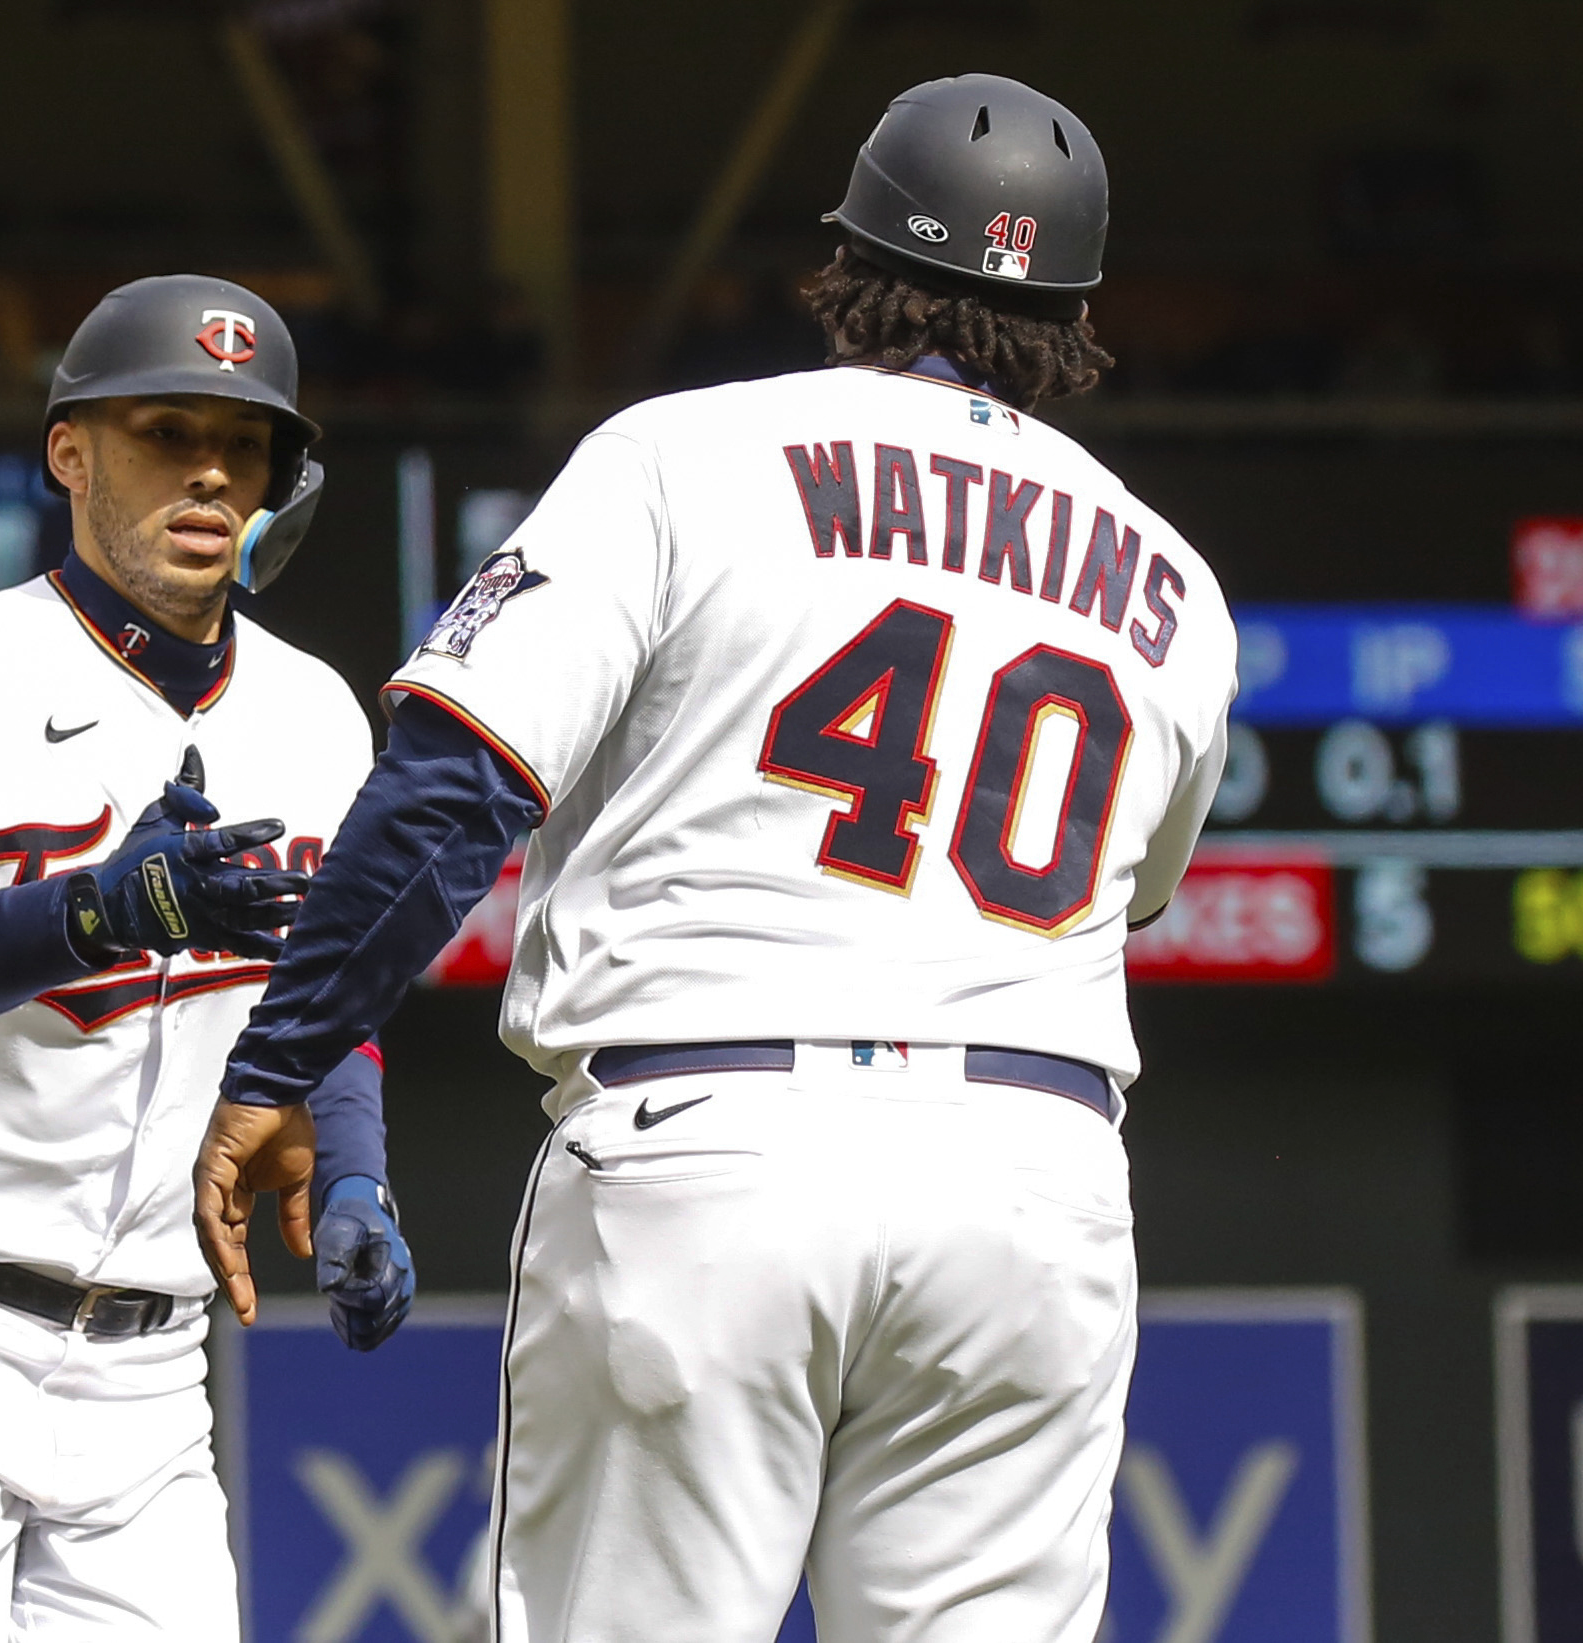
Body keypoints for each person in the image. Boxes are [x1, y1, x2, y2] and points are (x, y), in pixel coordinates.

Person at [196, 73, 1236, 1643]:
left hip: (714, 1138)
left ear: (852, 262)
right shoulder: (1174, 581)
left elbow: (448, 794)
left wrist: (281, 1056)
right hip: (1034, 1180)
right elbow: (1131, 888)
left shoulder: (693, 453)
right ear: (1078, 316)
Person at [0, 273, 414, 1643]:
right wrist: (103, 909)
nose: (214, 472)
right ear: (71, 451)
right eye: (168, 430)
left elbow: (329, 995)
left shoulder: (315, 712)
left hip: (151, 1366)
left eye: (250, 445)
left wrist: (355, 1170)